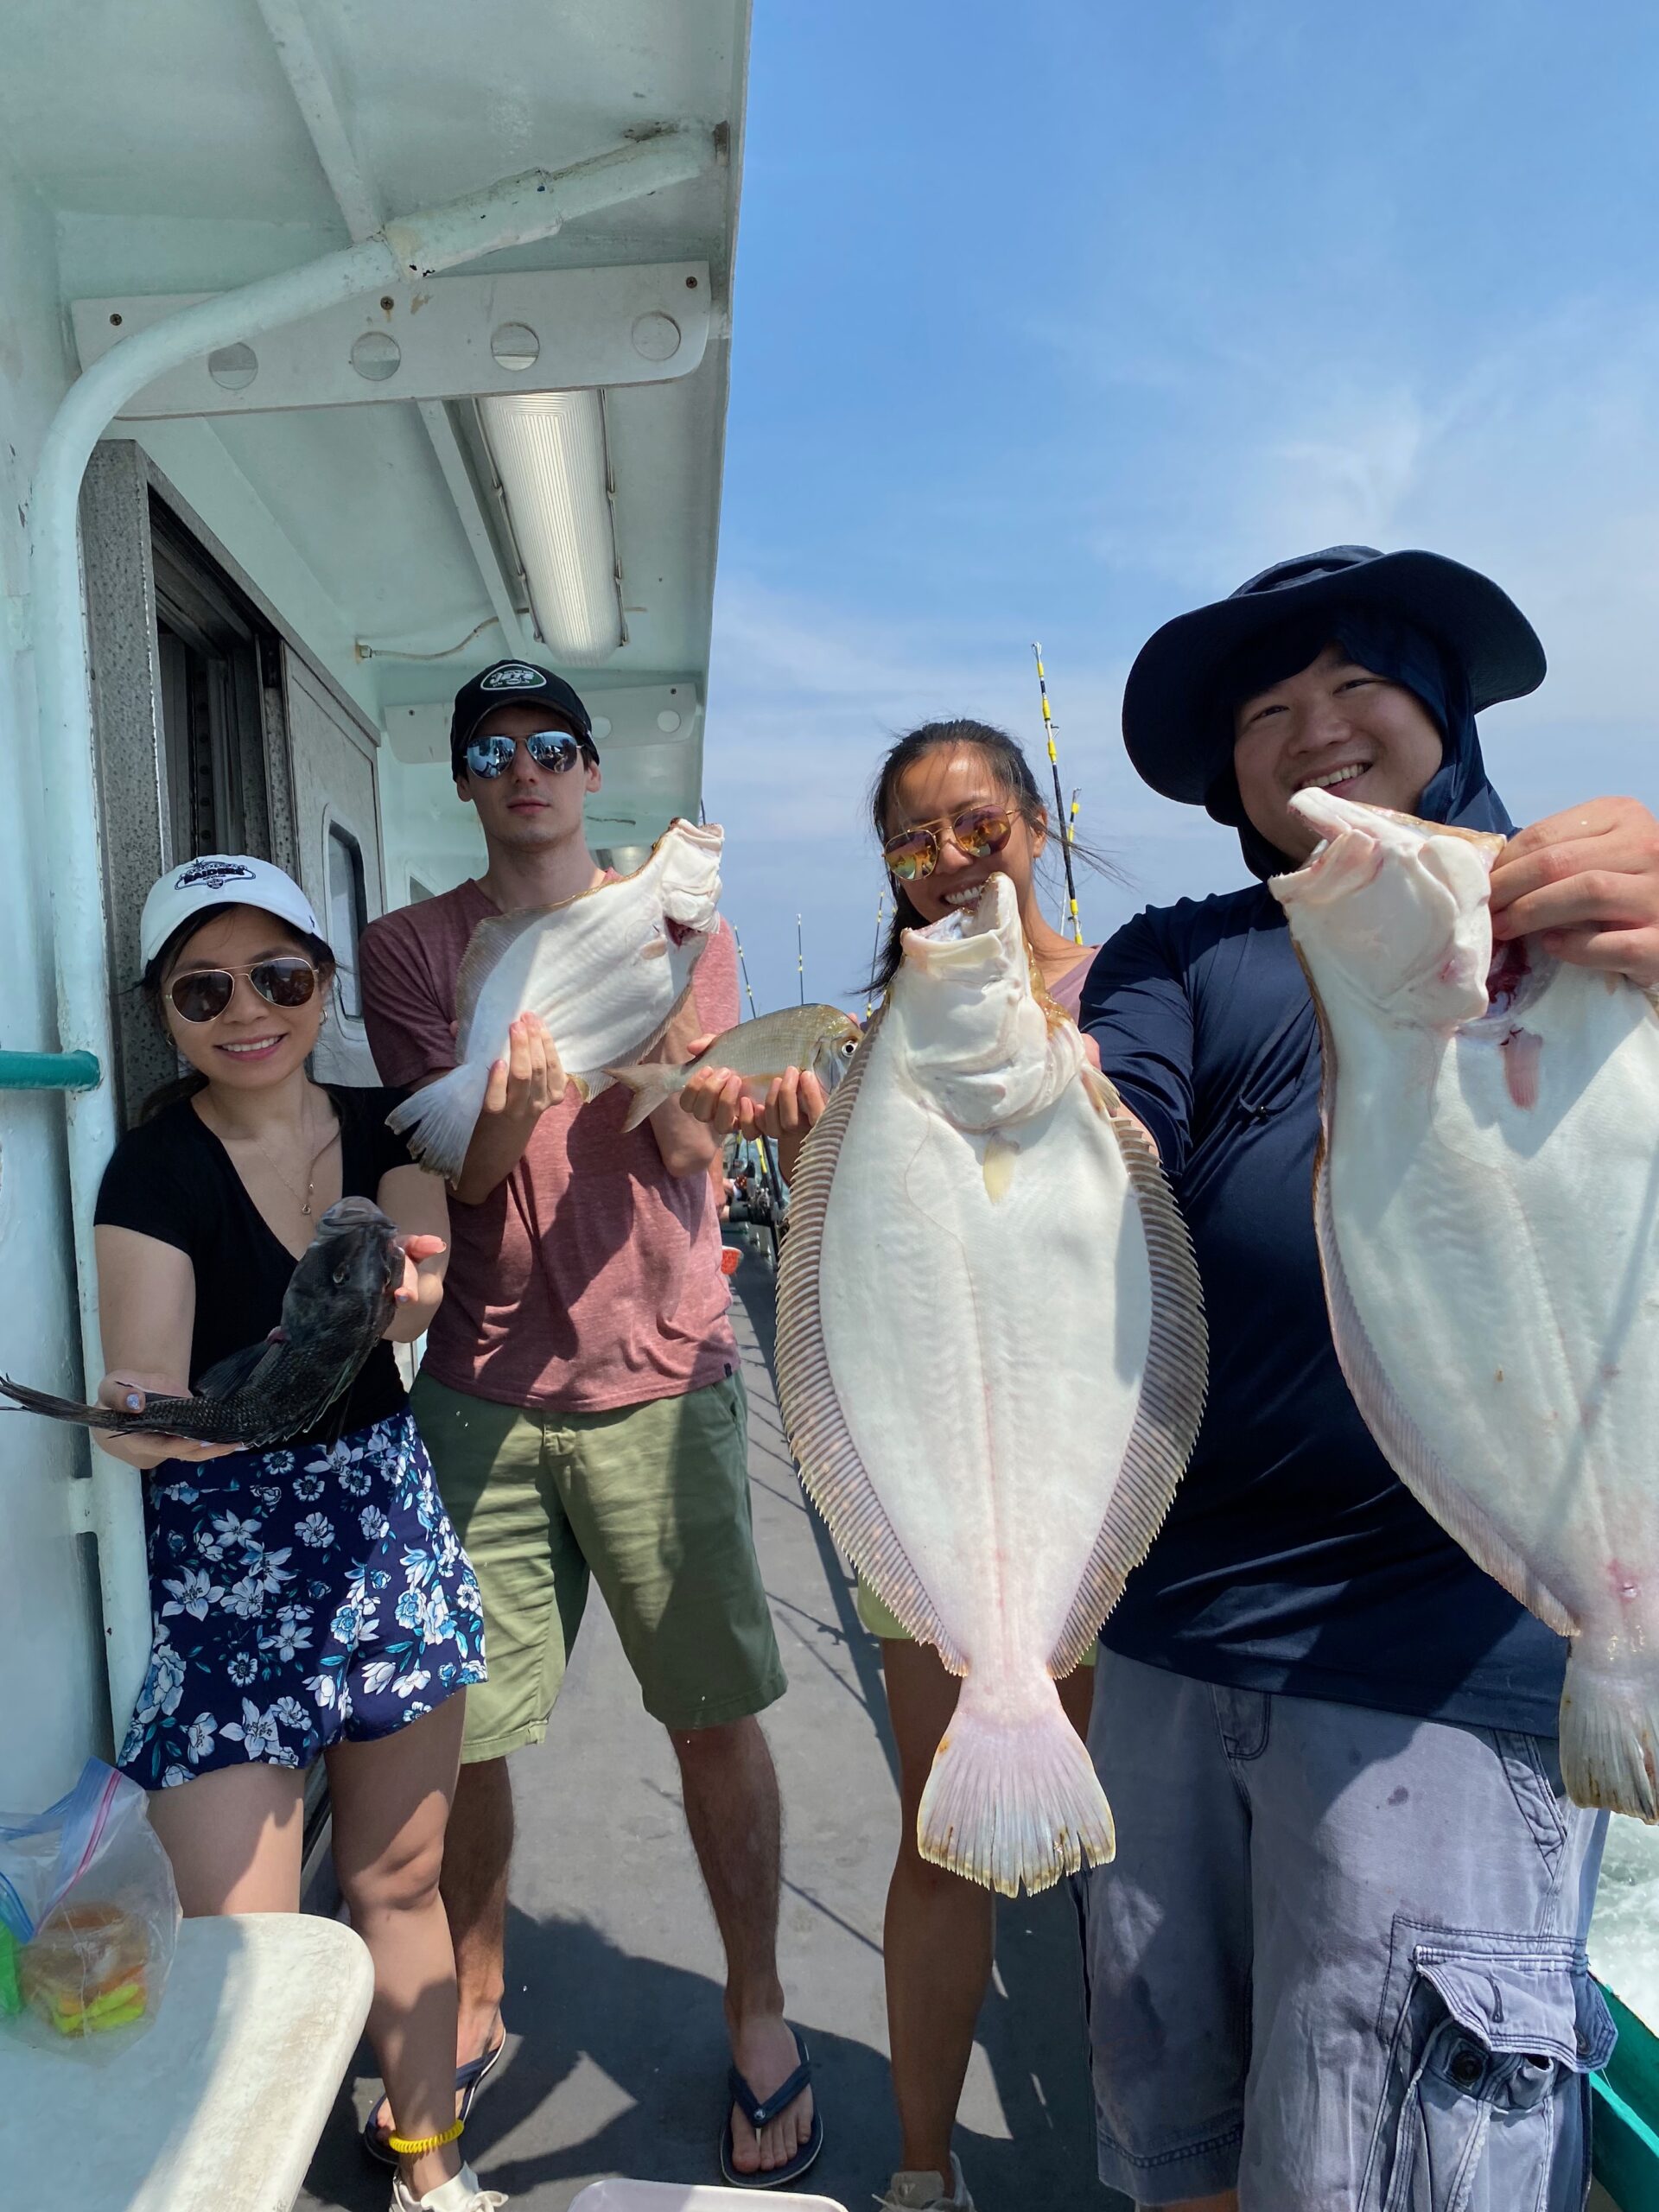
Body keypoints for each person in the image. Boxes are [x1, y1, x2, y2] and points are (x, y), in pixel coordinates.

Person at [1074, 544, 1659, 2211]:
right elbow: (1115, 1128)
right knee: (1171, 2139)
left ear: (1443, 705)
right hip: (1174, 1649)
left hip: (1445, 1668)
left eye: (1355, 684)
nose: (1314, 729)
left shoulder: (1589, 921)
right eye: (1267, 712)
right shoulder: (1182, 955)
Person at [358, 661, 819, 2188]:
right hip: (481, 1390)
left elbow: (685, 1134)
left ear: (589, 769)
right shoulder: (409, 948)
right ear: (467, 783)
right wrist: (510, 1098)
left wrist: (714, 1097)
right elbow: (465, 1176)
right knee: (468, 1732)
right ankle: (478, 1992)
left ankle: (758, 2006)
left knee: (713, 1713)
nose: (526, 771)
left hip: (664, 1374)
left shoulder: (690, 928)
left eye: (552, 746)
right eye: (493, 752)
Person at [679, 717, 1103, 2212]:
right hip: (937, 1464)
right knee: (949, 1833)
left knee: (1144, 1850)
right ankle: (924, 2168)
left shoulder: (1128, 1001)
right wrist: (796, 1161)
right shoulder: (857, 1047)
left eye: (975, 825)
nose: (947, 864)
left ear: (1034, 826)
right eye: (911, 843)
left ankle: (1166, 2146)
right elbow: (855, 1275)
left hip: (1091, 1459)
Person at [94, 855, 492, 2212]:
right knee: (240, 1946)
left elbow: (422, 1294)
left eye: (280, 976)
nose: (247, 1010)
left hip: (378, 1525)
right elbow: (141, 1383)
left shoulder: (394, 1129)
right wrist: (151, 1425)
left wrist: (388, 1304)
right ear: (166, 1012)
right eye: (204, 988)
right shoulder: (153, 1165)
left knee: (400, 1877)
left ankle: (430, 2171)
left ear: (323, 983)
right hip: (225, 1555)